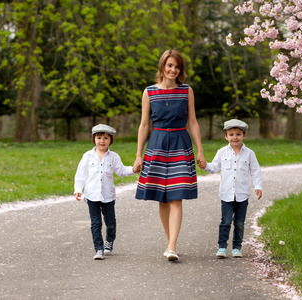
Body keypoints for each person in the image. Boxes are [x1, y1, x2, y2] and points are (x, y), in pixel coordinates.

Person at [133, 49, 205, 261]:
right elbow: (144, 124)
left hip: (180, 144)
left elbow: (192, 121)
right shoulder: (149, 92)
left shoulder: (186, 91)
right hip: (156, 144)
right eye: (170, 65)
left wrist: (200, 150)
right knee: (162, 199)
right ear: (162, 67)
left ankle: (172, 245)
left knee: (176, 197)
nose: (173, 70)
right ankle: (170, 243)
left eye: (177, 66)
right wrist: (139, 155)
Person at [74, 124, 138, 260]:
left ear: (110, 140)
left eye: (105, 138)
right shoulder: (88, 156)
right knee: (96, 223)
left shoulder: (113, 157)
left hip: (108, 196)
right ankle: (99, 249)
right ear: (94, 139)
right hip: (92, 195)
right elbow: (81, 174)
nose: (102, 141)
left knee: (110, 223)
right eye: (99, 138)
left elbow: (121, 171)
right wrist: (78, 189)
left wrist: (133, 169)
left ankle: (109, 241)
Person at [200, 119, 262, 258]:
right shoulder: (222, 152)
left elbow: (255, 171)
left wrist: (258, 186)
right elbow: (215, 167)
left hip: (242, 195)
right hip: (226, 194)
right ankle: (222, 247)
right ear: (226, 136)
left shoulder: (249, 153)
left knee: (239, 223)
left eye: (238, 134)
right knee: (226, 221)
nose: (235, 137)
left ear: (244, 135)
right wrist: (205, 166)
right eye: (232, 134)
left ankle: (236, 248)